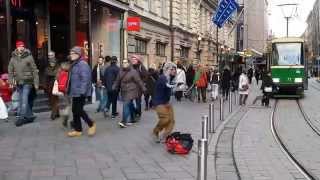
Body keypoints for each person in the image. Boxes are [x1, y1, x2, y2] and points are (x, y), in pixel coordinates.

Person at [8, 40, 39, 127]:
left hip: (28, 81)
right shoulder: (13, 58)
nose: (21, 47)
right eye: (19, 46)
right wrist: (11, 82)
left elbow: (34, 70)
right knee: (21, 99)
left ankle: (21, 118)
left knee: (24, 99)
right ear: (16, 48)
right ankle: (29, 116)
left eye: (22, 46)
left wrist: (36, 83)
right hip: (19, 83)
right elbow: (10, 71)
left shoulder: (29, 57)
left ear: (24, 47)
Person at [67, 46, 96, 137]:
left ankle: (91, 124)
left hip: (80, 92)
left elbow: (85, 79)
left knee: (78, 110)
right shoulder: (75, 64)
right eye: (70, 53)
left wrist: (82, 91)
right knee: (74, 110)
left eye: (73, 53)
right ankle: (78, 130)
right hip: (75, 91)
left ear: (78, 54)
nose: (71, 55)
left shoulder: (82, 64)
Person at [113, 58, 146, 128]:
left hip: (131, 90)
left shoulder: (133, 71)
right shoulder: (120, 71)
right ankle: (134, 116)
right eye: (123, 62)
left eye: (125, 62)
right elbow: (117, 80)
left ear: (128, 63)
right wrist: (114, 86)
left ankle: (124, 121)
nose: (124, 64)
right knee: (130, 105)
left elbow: (139, 81)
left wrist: (143, 88)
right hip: (124, 91)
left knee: (125, 105)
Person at [152, 62, 177, 143]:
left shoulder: (170, 78)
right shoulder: (163, 78)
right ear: (167, 69)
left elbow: (170, 90)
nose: (174, 71)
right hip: (159, 102)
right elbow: (168, 86)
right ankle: (156, 131)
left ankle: (164, 136)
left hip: (167, 102)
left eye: (175, 69)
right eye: (172, 69)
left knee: (172, 121)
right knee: (165, 119)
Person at [130, 55, 148, 121]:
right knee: (130, 102)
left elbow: (146, 76)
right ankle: (134, 112)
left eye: (134, 59)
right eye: (132, 59)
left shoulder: (141, 67)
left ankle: (138, 114)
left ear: (138, 60)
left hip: (138, 88)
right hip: (131, 88)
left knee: (138, 102)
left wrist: (140, 82)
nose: (133, 60)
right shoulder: (130, 67)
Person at [45, 51, 60, 120]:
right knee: (51, 100)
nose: (50, 56)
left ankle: (53, 114)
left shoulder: (58, 65)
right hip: (49, 86)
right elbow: (45, 75)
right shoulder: (46, 65)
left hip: (57, 85)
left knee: (55, 99)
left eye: (51, 55)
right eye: (49, 55)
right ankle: (57, 112)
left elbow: (58, 73)